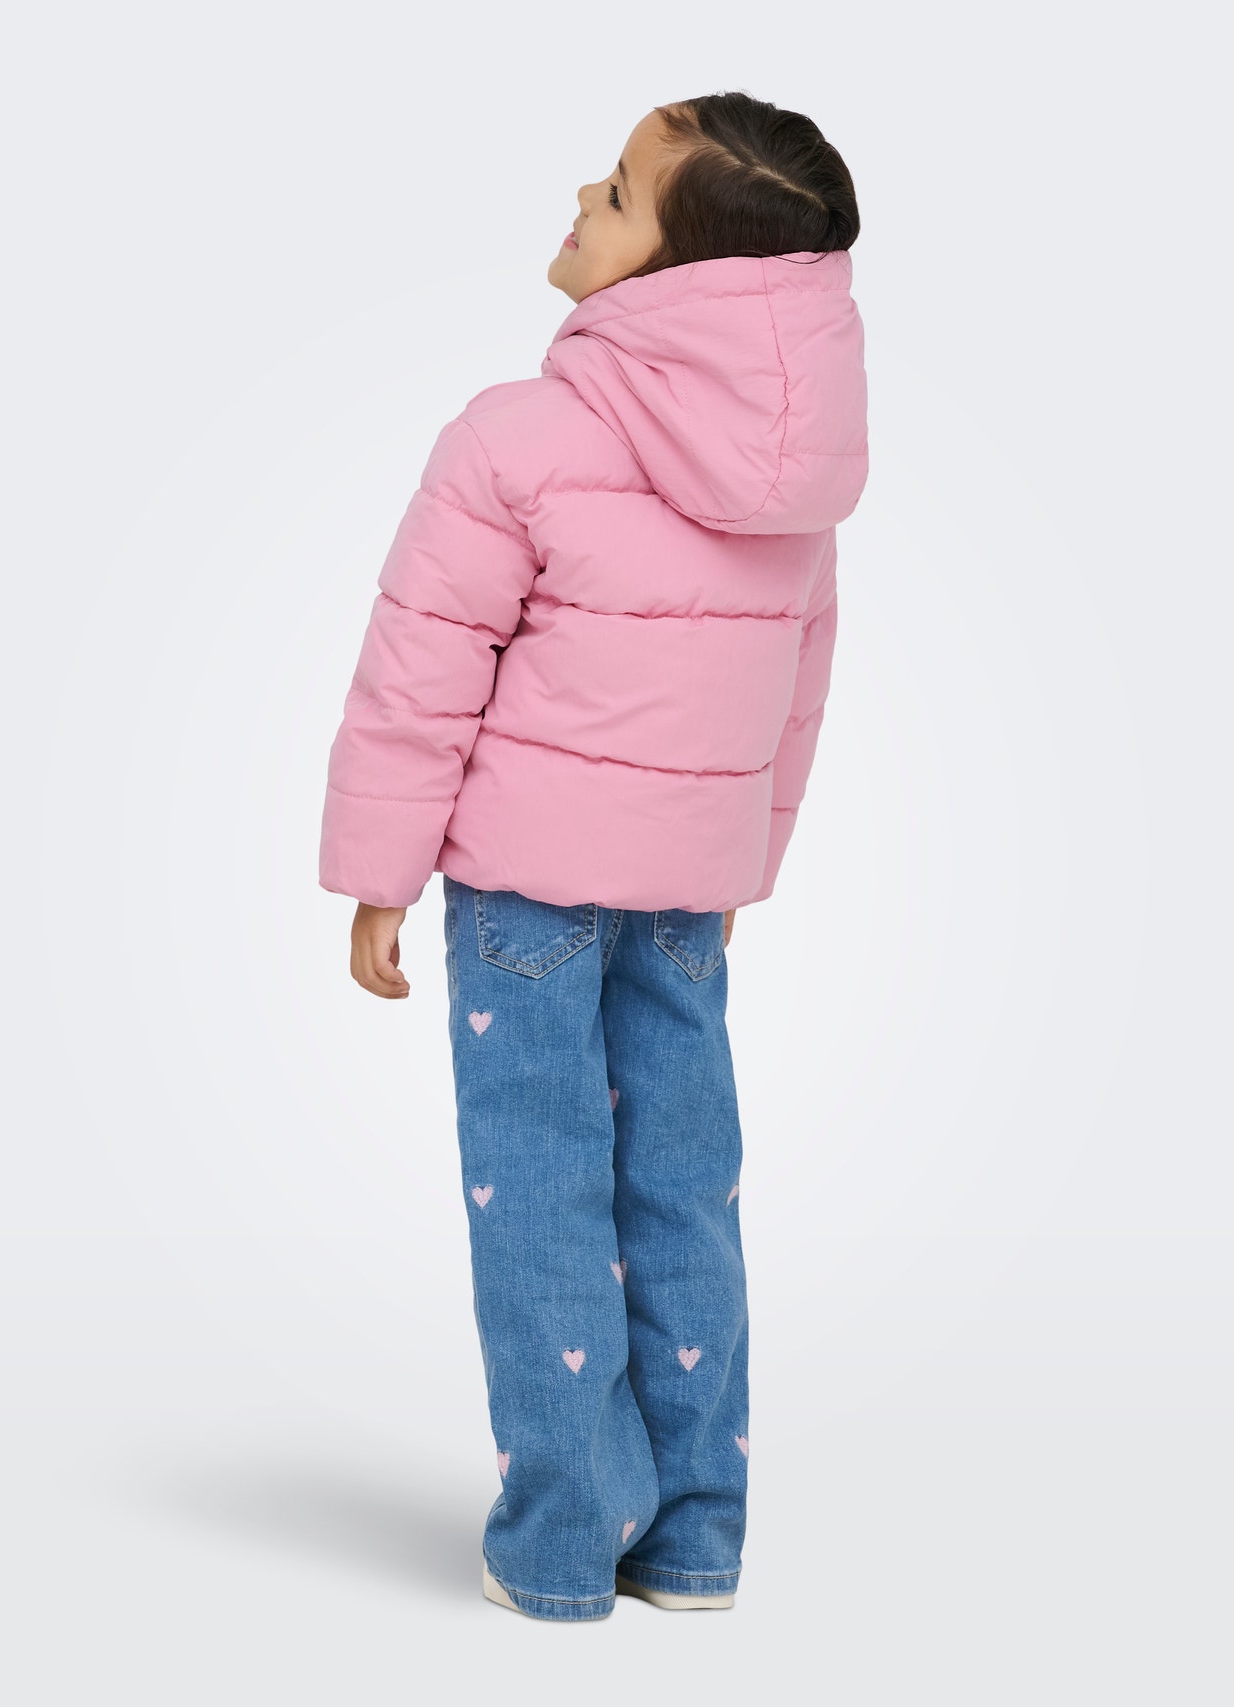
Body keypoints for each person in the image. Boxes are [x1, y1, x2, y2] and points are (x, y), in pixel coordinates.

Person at [319, 90, 868, 1622]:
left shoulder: (517, 435)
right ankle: (694, 1538)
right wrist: (749, 862)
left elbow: (424, 662)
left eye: (619, 194)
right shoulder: (803, 481)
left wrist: (379, 869)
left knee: (546, 1196)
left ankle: (563, 1545)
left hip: (526, 895)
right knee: (686, 1190)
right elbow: (797, 689)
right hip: (688, 897)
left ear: (684, 280)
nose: (583, 193)